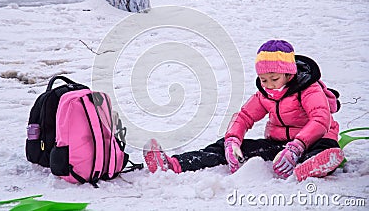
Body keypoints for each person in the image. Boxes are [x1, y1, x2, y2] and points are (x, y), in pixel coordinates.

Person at [143, 40, 344, 181]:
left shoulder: (309, 89)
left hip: (316, 138)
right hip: (280, 144)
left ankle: (313, 166)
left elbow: (320, 119)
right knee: (224, 147)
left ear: (289, 74)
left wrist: (297, 146)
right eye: (264, 80)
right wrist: (233, 141)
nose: (269, 85)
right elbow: (244, 116)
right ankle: (173, 164)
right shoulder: (265, 94)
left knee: (322, 148)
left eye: (274, 79)